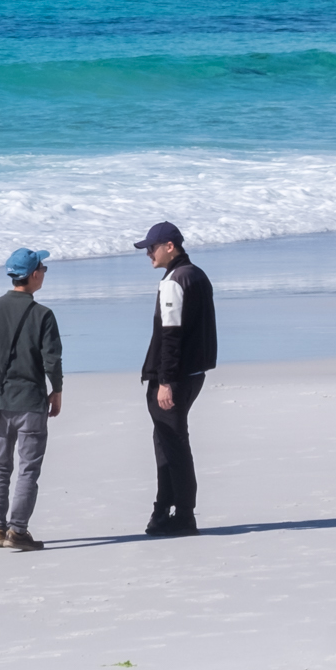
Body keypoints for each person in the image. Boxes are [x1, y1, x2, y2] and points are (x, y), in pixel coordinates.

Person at [0, 246, 65, 551]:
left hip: (0, 401)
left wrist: (1, 364)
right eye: (43, 269)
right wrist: (57, 390)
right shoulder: (43, 315)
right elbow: (52, 359)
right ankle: (18, 531)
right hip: (31, 401)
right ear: (34, 274)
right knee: (28, 468)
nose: (44, 274)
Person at [136, 221, 217, 536]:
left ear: (170, 246)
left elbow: (171, 336)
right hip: (194, 372)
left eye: (151, 248)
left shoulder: (174, 281)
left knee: (173, 443)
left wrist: (165, 381)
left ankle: (181, 514)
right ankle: (166, 510)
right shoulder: (197, 274)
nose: (148, 254)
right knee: (168, 440)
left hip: (175, 376)